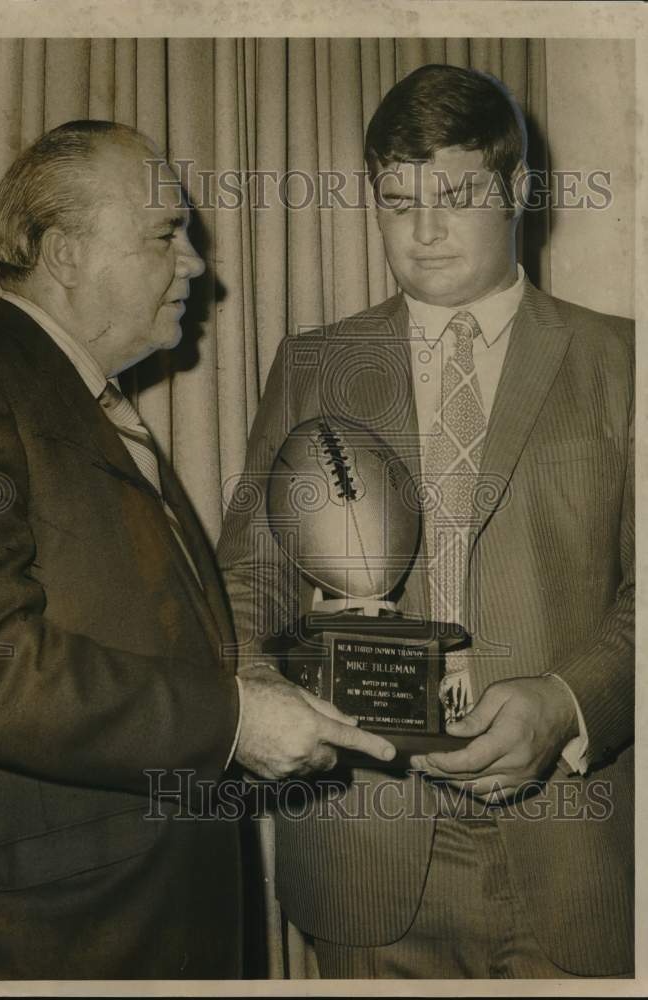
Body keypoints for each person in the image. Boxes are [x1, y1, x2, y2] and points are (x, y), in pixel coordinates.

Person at [0, 120, 396, 981]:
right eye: (165, 235)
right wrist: (236, 720)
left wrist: (269, 685)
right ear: (63, 251)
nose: (197, 265)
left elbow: (149, 641)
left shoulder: (90, 405)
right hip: (54, 941)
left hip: (147, 919)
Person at [217, 64, 633, 979]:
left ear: (518, 191)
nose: (425, 229)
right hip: (365, 841)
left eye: (456, 195)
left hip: (572, 843)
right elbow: (252, 572)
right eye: (396, 200)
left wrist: (568, 700)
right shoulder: (315, 362)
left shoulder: (622, 361)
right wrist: (254, 683)